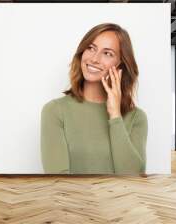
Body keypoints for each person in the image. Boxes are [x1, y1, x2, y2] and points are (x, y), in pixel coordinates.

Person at [40, 23, 148, 175]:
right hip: (71, 199)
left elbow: (134, 177)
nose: (94, 59)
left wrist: (115, 116)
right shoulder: (55, 111)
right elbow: (58, 181)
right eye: (91, 48)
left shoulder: (137, 118)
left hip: (122, 199)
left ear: (120, 65)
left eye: (107, 53)